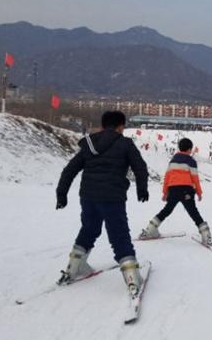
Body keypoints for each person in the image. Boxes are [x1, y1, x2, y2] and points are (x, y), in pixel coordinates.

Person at [55, 111, 149, 296]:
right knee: (119, 234)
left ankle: (74, 267)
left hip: (88, 196)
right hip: (112, 197)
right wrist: (142, 189)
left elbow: (70, 170)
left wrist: (61, 194)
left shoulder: (89, 144)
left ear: (102, 125)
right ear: (121, 126)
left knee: (89, 229)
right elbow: (140, 168)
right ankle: (132, 278)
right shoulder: (125, 144)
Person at [139, 138, 212, 245]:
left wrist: (165, 193)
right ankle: (206, 235)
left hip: (173, 190)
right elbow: (195, 178)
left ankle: (150, 229)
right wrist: (199, 192)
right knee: (193, 212)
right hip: (186, 190)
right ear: (189, 149)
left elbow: (167, 178)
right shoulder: (191, 161)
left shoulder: (172, 161)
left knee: (167, 210)